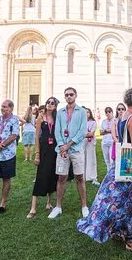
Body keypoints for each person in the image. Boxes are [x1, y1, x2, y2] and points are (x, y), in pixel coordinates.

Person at [77, 88, 132, 253]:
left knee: (119, 202)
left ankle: (118, 232)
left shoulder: (124, 116)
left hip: (123, 165)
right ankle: (131, 240)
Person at [48, 87, 88, 219]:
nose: (69, 96)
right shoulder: (60, 112)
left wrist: (68, 145)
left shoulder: (81, 111)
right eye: (66, 95)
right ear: (64, 97)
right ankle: (58, 207)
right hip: (62, 151)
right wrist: (61, 146)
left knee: (80, 177)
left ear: (75, 95)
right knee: (61, 177)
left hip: (76, 149)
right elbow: (57, 130)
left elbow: (82, 131)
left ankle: (84, 206)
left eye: (71, 94)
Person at [28, 97, 59, 218]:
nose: (50, 104)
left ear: (55, 106)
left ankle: (49, 203)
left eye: (52, 103)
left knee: (52, 175)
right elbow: (36, 137)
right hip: (44, 148)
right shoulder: (40, 117)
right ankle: (33, 208)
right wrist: (37, 153)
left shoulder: (56, 118)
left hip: (54, 149)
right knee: (40, 175)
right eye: (48, 102)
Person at [84, 108, 99, 186]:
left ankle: (93, 177)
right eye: (85, 112)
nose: (86, 114)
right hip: (82, 143)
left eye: (88, 112)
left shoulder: (93, 122)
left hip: (90, 143)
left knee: (91, 159)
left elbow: (91, 133)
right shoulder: (81, 122)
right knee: (83, 159)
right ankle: (84, 176)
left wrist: (83, 134)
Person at [100, 106, 116, 172]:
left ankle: (113, 174)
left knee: (112, 160)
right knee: (107, 160)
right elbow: (101, 132)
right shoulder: (104, 121)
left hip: (112, 142)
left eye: (109, 112)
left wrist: (106, 131)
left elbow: (115, 131)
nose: (108, 113)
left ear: (112, 112)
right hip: (104, 142)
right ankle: (109, 173)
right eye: (106, 112)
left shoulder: (115, 120)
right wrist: (108, 131)